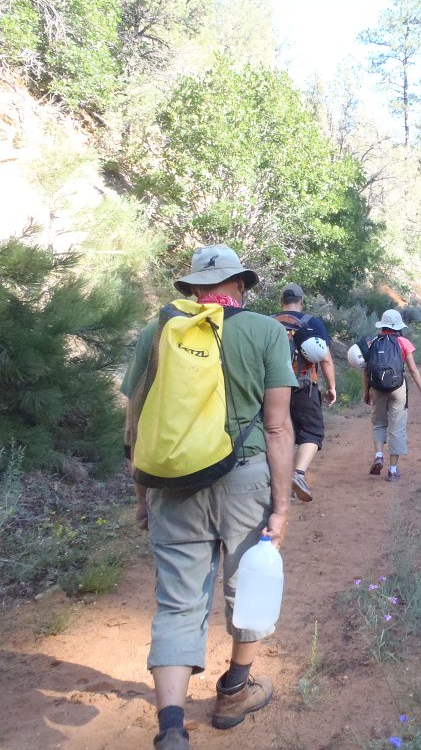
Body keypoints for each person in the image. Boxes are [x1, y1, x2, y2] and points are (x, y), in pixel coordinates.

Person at [121, 245, 296, 750]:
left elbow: (136, 422)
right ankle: (233, 694)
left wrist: (141, 494)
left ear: (194, 289)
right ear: (240, 285)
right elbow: (279, 426)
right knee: (246, 587)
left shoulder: (159, 332)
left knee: (177, 604)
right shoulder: (265, 331)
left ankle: (171, 727)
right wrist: (281, 510)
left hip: (173, 482)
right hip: (245, 477)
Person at [273, 282, 337, 502]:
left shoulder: (268, 322)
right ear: (301, 300)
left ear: (281, 301)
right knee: (312, 432)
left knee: (277, 434)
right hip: (303, 385)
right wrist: (331, 388)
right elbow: (325, 358)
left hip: (272, 387)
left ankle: (276, 484)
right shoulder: (311, 322)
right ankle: (298, 474)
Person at [363, 309, 421, 481]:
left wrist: (366, 392)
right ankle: (392, 470)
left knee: (378, 423)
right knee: (397, 427)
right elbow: (413, 369)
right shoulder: (403, 342)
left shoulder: (372, 342)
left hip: (376, 388)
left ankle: (378, 455)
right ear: (398, 326)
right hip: (397, 388)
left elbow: (366, 370)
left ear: (382, 325)